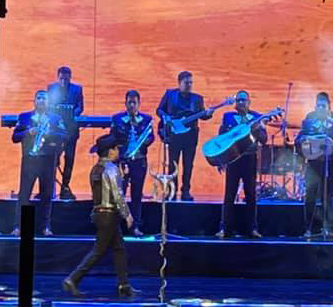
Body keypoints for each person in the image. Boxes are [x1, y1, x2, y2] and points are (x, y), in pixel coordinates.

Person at [63, 133, 137, 298]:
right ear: (110, 151)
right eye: (116, 149)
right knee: (98, 251)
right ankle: (73, 279)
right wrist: (127, 214)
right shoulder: (111, 169)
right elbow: (117, 194)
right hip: (109, 215)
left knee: (119, 248)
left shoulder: (96, 168)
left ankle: (124, 285)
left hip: (100, 213)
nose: (118, 151)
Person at [12, 90, 67, 236]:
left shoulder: (55, 118)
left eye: (44, 98)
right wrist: (28, 132)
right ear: (34, 101)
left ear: (48, 102)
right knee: (24, 194)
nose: (41, 101)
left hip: (48, 160)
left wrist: (49, 134)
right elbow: (15, 137)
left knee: (46, 195)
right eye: (39, 98)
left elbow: (64, 135)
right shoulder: (24, 117)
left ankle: (46, 227)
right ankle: (19, 226)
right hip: (29, 160)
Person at [295, 92, 333, 238]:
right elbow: (298, 140)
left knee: (327, 196)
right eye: (318, 106)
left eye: (323, 106)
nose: (320, 108)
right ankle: (308, 229)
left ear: (329, 108)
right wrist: (303, 140)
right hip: (313, 165)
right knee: (310, 196)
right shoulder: (308, 124)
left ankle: (327, 228)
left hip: (330, 164)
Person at [216, 90, 267, 239]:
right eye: (238, 100)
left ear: (249, 102)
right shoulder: (228, 117)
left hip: (250, 159)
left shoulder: (257, 117)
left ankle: (252, 228)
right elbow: (221, 139)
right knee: (229, 194)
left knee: (251, 194)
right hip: (233, 160)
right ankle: (225, 229)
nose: (241, 103)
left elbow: (263, 139)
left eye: (243, 100)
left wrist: (259, 130)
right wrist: (220, 160)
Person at [157, 71, 215, 201]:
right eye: (186, 82)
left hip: (190, 137)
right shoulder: (170, 95)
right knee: (173, 165)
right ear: (179, 83)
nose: (189, 85)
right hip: (174, 136)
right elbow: (159, 110)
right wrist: (166, 117)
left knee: (188, 165)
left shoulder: (197, 99)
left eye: (191, 83)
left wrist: (209, 114)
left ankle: (186, 191)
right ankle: (171, 191)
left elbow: (203, 115)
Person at [110, 90, 155, 236]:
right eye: (129, 102)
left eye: (134, 102)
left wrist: (144, 141)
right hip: (122, 162)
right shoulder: (117, 119)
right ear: (125, 103)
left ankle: (135, 227)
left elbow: (152, 137)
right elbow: (112, 138)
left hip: (139, 161)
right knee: (119, 195)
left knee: (137, 195)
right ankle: (116, 227)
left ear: (138, 104)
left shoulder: (146, 119)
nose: (131, 105)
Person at [48, 66, 84, 200]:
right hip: (55, 131)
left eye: (66, 79)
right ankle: (48, 187)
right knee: (52, 159)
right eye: (61, 79)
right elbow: (49, 106)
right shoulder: (52, 88)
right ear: (58, 78)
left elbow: (80, 106)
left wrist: (72, 115)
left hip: (71, 130)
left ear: (70, 78)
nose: (63, 81)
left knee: (69, 159)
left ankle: (65, 187)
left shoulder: (77, 89)